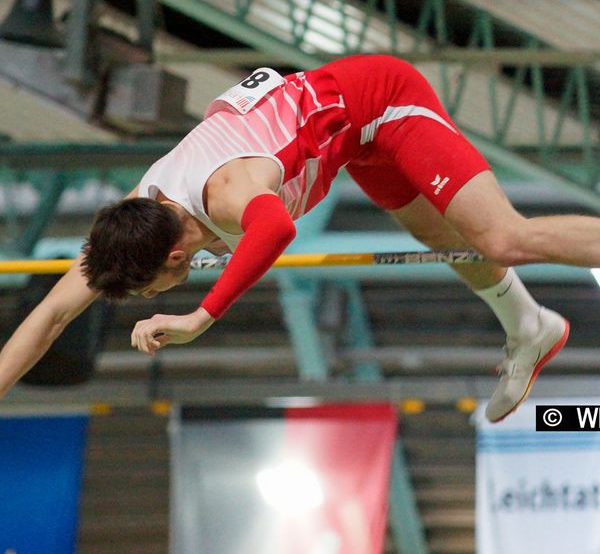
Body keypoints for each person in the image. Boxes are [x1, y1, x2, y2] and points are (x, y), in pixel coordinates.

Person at [0, 54, 595, 423]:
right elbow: (51, 316)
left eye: (152, 290)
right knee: (450, 242)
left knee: (501, 238)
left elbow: (277, 228)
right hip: (354, 145)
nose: (153, 298)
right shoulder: (134, 223)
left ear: (175, 256)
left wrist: (199, 316)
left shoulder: (225, 191)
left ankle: (531, 317)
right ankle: (529, 326)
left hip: (383, 102)